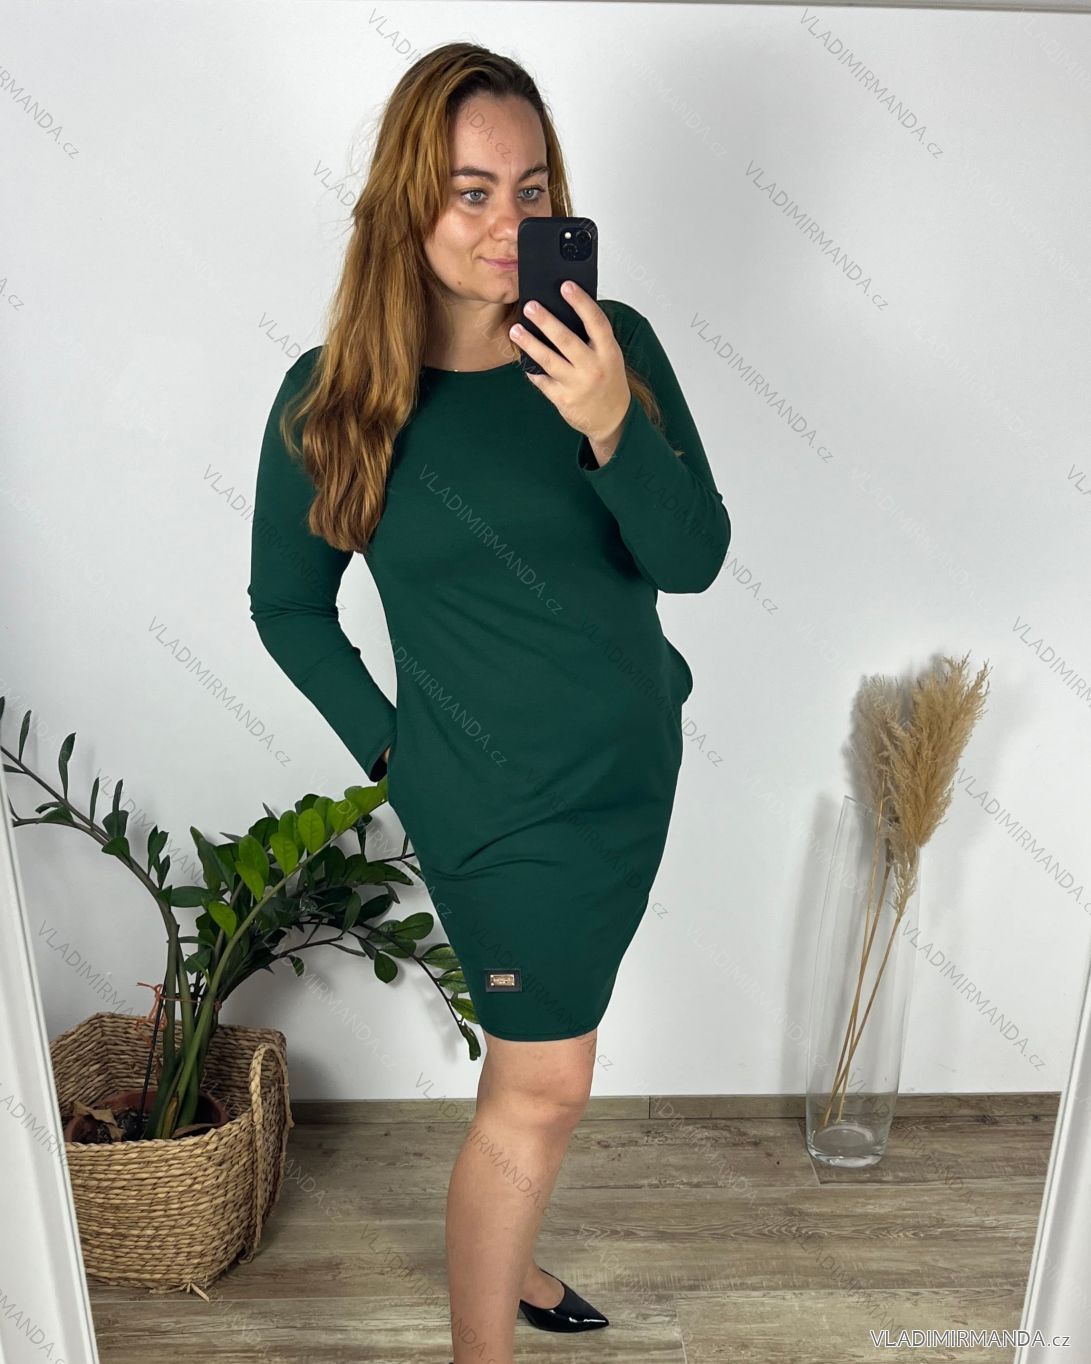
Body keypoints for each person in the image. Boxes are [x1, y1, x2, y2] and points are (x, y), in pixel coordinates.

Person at [247, 41, 730, 1364]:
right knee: (545, 1087)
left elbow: (692, 558)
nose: (508, 224)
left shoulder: (612, 347)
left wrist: (612, 420)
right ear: (407, 203)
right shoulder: (335, 397)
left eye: (532, 190)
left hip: (630, 775)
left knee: (543, 1070)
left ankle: (505, 1260)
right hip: (493, 812)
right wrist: (395, 753)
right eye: (471, 192)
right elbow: (289, 607)